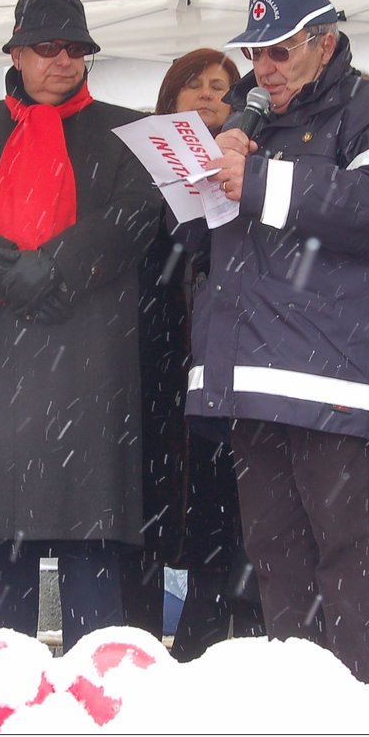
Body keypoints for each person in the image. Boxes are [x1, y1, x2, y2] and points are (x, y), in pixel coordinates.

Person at [189, 0, 369, 687]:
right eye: (257, 53)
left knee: (351, 573)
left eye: (281, 52)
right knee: (278, 566)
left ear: (325, 45)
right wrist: (195, 183)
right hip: (249, 382)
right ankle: (301, 729)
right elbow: (205, 250)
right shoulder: (250, 119)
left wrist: (259, 178)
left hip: (334, 384)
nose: (265, 69)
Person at [0, 0, 160, 643]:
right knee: (1, 556)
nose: (65, 60)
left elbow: (137, 216)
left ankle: (95, 705)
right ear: (17, 54)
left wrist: (56, 266)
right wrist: (6, 271)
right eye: (49, 48)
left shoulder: (124, 131)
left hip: (89, 367)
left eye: (76, 49)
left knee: (92, 559)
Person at [133, 48, 264, 657]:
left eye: (221, 86)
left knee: (229, 521)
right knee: (155, 527)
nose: (211, 95)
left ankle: (214, 639)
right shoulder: (140, 174)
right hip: (156, 375)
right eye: (196, 85)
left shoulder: (257, 164)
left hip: (228, 373)